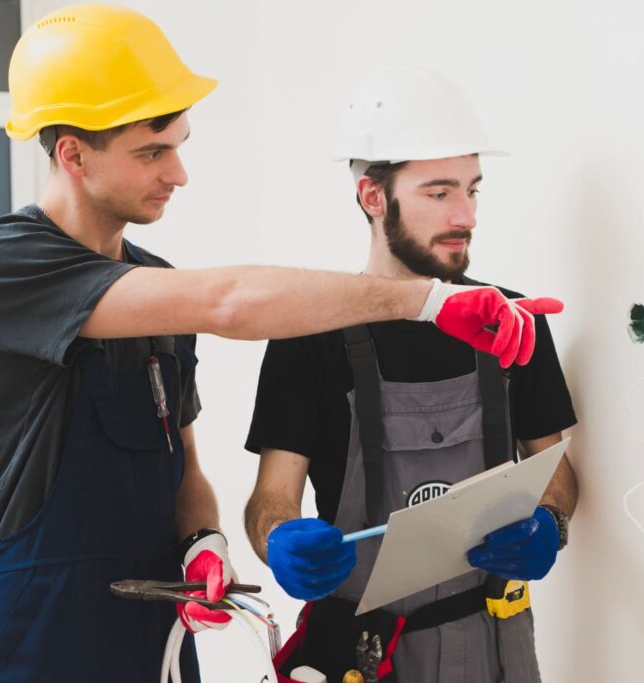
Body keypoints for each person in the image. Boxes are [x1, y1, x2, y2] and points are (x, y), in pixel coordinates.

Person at [0, 6, 560, 682]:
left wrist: (203, 541)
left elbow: (185, 465)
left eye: (178, 146)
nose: (179, 173)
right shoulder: (3, 266)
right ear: (74, 154)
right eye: (152, 151)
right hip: (29, 642)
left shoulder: (157, 288)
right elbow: (228, 301)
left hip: (150, 642)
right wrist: (430, 300)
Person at [243, 66, 579, 682]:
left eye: (472, 190)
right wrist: (281, 541)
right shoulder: (308, 336)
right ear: (373, 197)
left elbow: (553, 469)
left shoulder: (512, 320)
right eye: (439, 193)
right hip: (365, 656)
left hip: (498, 648)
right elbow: (271, 499)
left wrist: (549, 522)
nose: (466, 215)